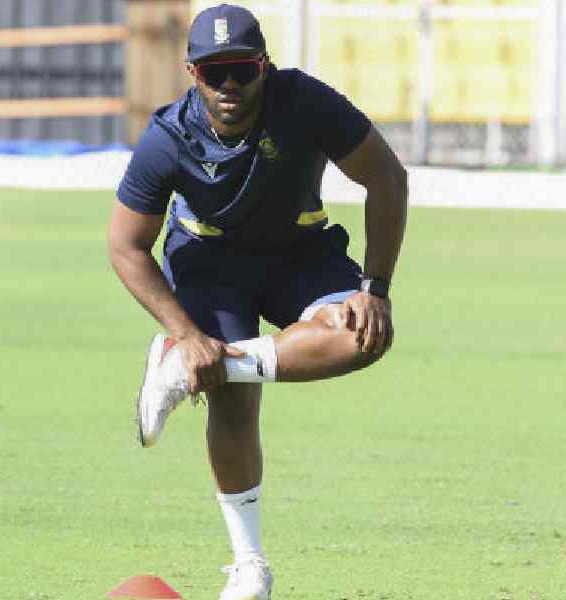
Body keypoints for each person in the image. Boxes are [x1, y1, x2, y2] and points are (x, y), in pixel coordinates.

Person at [109, 4, 408, 599]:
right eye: (214, 72)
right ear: (191, 71)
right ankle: (250, 567)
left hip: (302, 252)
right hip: (211, 265)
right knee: (235, 406)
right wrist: (186, 331)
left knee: (364, 335)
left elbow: (387, 177)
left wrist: (374, 287)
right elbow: (126, 247)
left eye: (242, 71)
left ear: (264, 67)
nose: (228, 87)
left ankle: (202, 365)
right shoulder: (167, 138)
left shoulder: (306, 101)